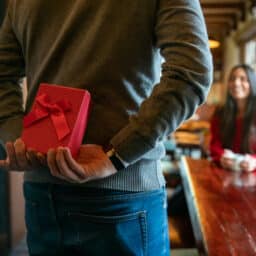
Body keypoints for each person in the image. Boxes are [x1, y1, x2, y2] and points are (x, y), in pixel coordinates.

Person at [0, 1, 212, 255]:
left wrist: (19, 139)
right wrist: (117, 154)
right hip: (124, 192)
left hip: (42, 192)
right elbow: (191, 73)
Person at [210, 64, 256, 172]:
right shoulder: (221, 112)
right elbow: (214, 143)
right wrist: (221, 157)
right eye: (232, 79)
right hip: (225, 172)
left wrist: (254, 161)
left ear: (252, 83)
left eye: (243, 79)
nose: (236, 83)